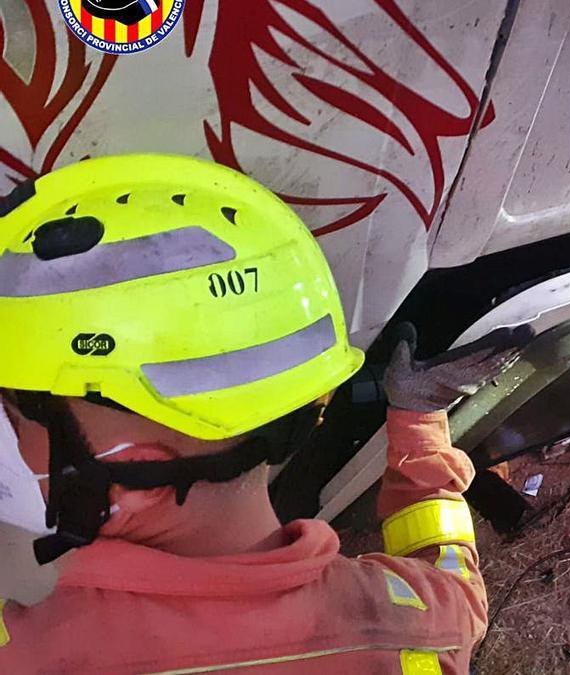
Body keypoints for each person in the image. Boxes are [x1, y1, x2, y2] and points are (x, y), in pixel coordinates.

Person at [0, 154, 526, 673]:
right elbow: (458, 582)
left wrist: (417, 424)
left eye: (16, 419)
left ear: (137, 483)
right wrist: (419, 424)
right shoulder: (421, 625)